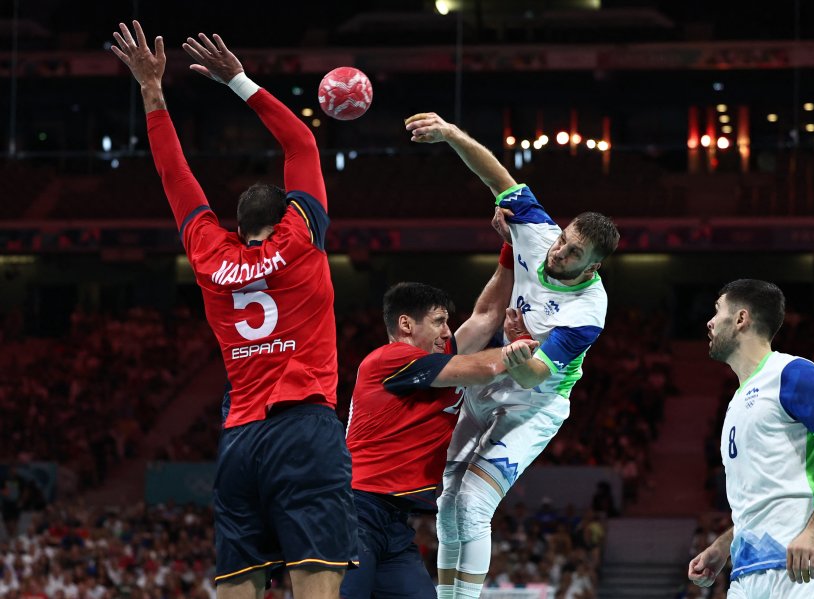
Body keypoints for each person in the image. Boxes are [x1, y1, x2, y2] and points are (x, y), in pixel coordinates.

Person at [111, 22, 356, 598]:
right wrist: (238, 80)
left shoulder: (208, 252)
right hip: (304, 431)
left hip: (240, 441)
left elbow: (176, 176)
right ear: (291, 210)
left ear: (236, 224)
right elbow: (302, 144)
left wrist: (152, 90)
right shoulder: (301, 239)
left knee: (239, 587)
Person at [404, 112, 621, 599]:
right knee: (447, 499)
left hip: (535, 403)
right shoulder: (539, 233)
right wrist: (452, 133)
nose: (559, 252)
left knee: (475, 502)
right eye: (564, 239)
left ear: (595, 266)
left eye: (573, 253)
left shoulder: (589, 309)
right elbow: (498, 176)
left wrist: (520, 350)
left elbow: (536, 376)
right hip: (493, 380)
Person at [341, 278, 539, 599]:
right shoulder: (389, 358)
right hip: (354, 512)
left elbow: (486, 315)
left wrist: (509, 248)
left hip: (395, 524)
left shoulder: (439, 364)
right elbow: (486, 368)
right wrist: (514, 348)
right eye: (439, 322)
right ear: (406, 324)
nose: (448, 331)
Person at [688, 279, 814, 598]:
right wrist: (723, 546)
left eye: (717, 311)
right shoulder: (735, 402)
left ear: (741, 319)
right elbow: (766, 497)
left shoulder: (793, 373)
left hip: (804, 572)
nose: (710, 321)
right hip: (745, 576)